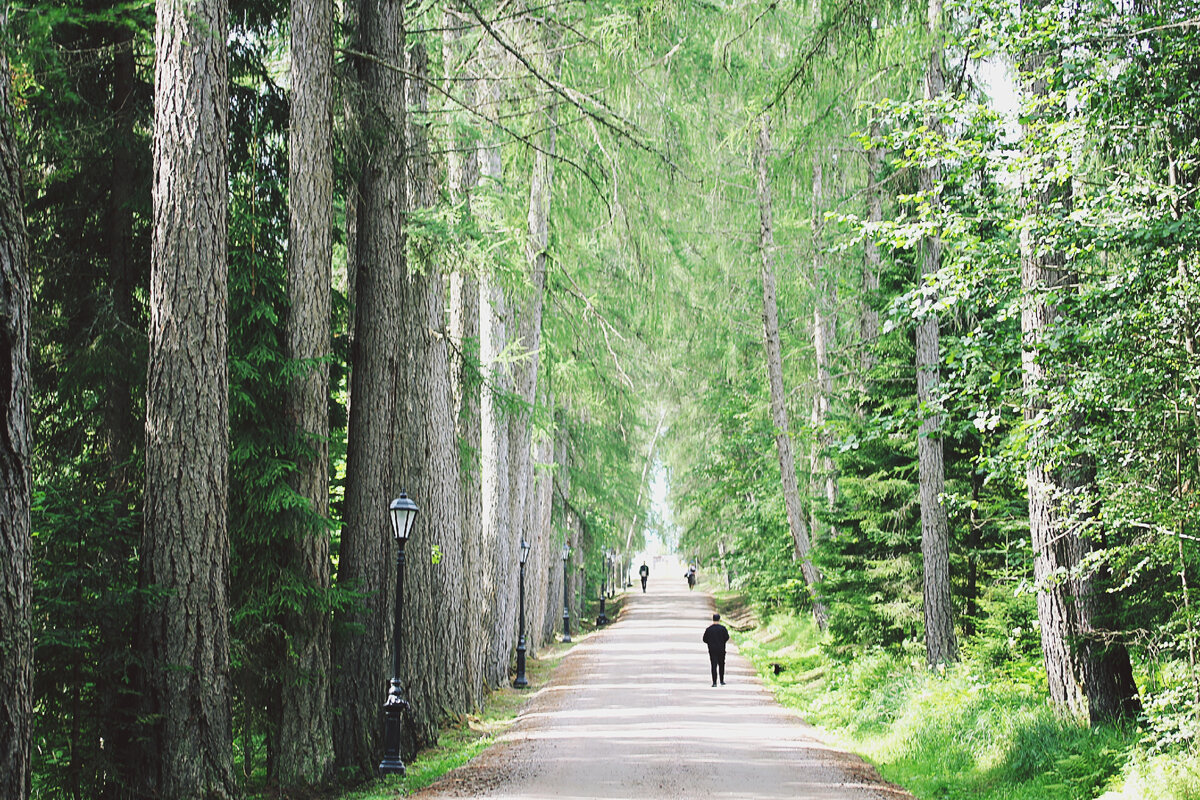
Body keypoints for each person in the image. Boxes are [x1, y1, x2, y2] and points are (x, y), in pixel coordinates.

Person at [703, 613, 730, 686]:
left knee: (713, 665)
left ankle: (714, 682)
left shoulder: (709, 629)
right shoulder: (723, 629)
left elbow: (704, 639)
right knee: (721, 664)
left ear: (713, 619)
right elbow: (727, 637)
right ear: (719, 619)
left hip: (712, 650)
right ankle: (722, 680)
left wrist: (710, 643)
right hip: (721, 649)